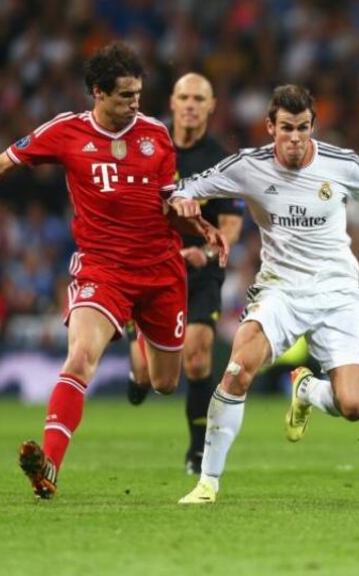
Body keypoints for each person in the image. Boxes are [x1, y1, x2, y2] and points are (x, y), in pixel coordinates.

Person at [0, 43, 227, 499]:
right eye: (125, 95)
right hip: (101, 268)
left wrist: (198, 222)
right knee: (80, 358)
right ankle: (49, 467)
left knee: (165, 383)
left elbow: (169, 203)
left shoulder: (156, 136)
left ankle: (140, 339)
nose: (135, 103)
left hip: (160, 270)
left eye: (139, 94)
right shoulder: (67, 132)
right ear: (97, 93)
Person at [169, 84, 359, 504]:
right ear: (270, 126)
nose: (294, 138)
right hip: (281, 290)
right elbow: (187, 187)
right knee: (237, 370)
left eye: (303, 128)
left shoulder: (341, 163)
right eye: (286, 128)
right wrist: (184, 203)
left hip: (338, 290)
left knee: (355, 407)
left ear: (313, 126)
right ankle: (207, 482)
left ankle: (307, 389)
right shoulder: (247, 166)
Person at [124, 73, 244, 476]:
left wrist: (208, 252)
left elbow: (230, 223)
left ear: (211, 106)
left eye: (199, 98)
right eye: (184, 97)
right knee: (148, 374)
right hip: (151, 266)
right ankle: (135, 370)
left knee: (195, 358)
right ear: (172, 103)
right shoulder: (148, 145)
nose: (191, 104)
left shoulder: (222, 160)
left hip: (199, 273)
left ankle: (197, 450)